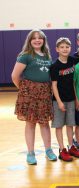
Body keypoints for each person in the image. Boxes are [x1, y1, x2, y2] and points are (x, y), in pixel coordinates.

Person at [11, 29, 57, 165]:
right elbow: (14, 76)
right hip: (29, 93)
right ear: (29, 41)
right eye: (34, 38)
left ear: (43, 41)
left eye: (40, 38)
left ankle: (48, 150)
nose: (37, 40)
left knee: (44, 123)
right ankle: (30, 153)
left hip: (44, 92)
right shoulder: (25, 55)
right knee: (30, 123)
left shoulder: (47, 56)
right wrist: (25, 90)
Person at [50, 37, 79, 162]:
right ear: (57, 49)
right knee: (59, 125)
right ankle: (62, 149)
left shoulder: (73, 61)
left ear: (70, 48)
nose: (65, 49)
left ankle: (71, 146)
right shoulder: (54, 66)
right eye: (62, 47)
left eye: (67, 47)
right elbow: (54, 85)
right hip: (58, 100)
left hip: (71, 99)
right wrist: (58, 101)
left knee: (70, 124)